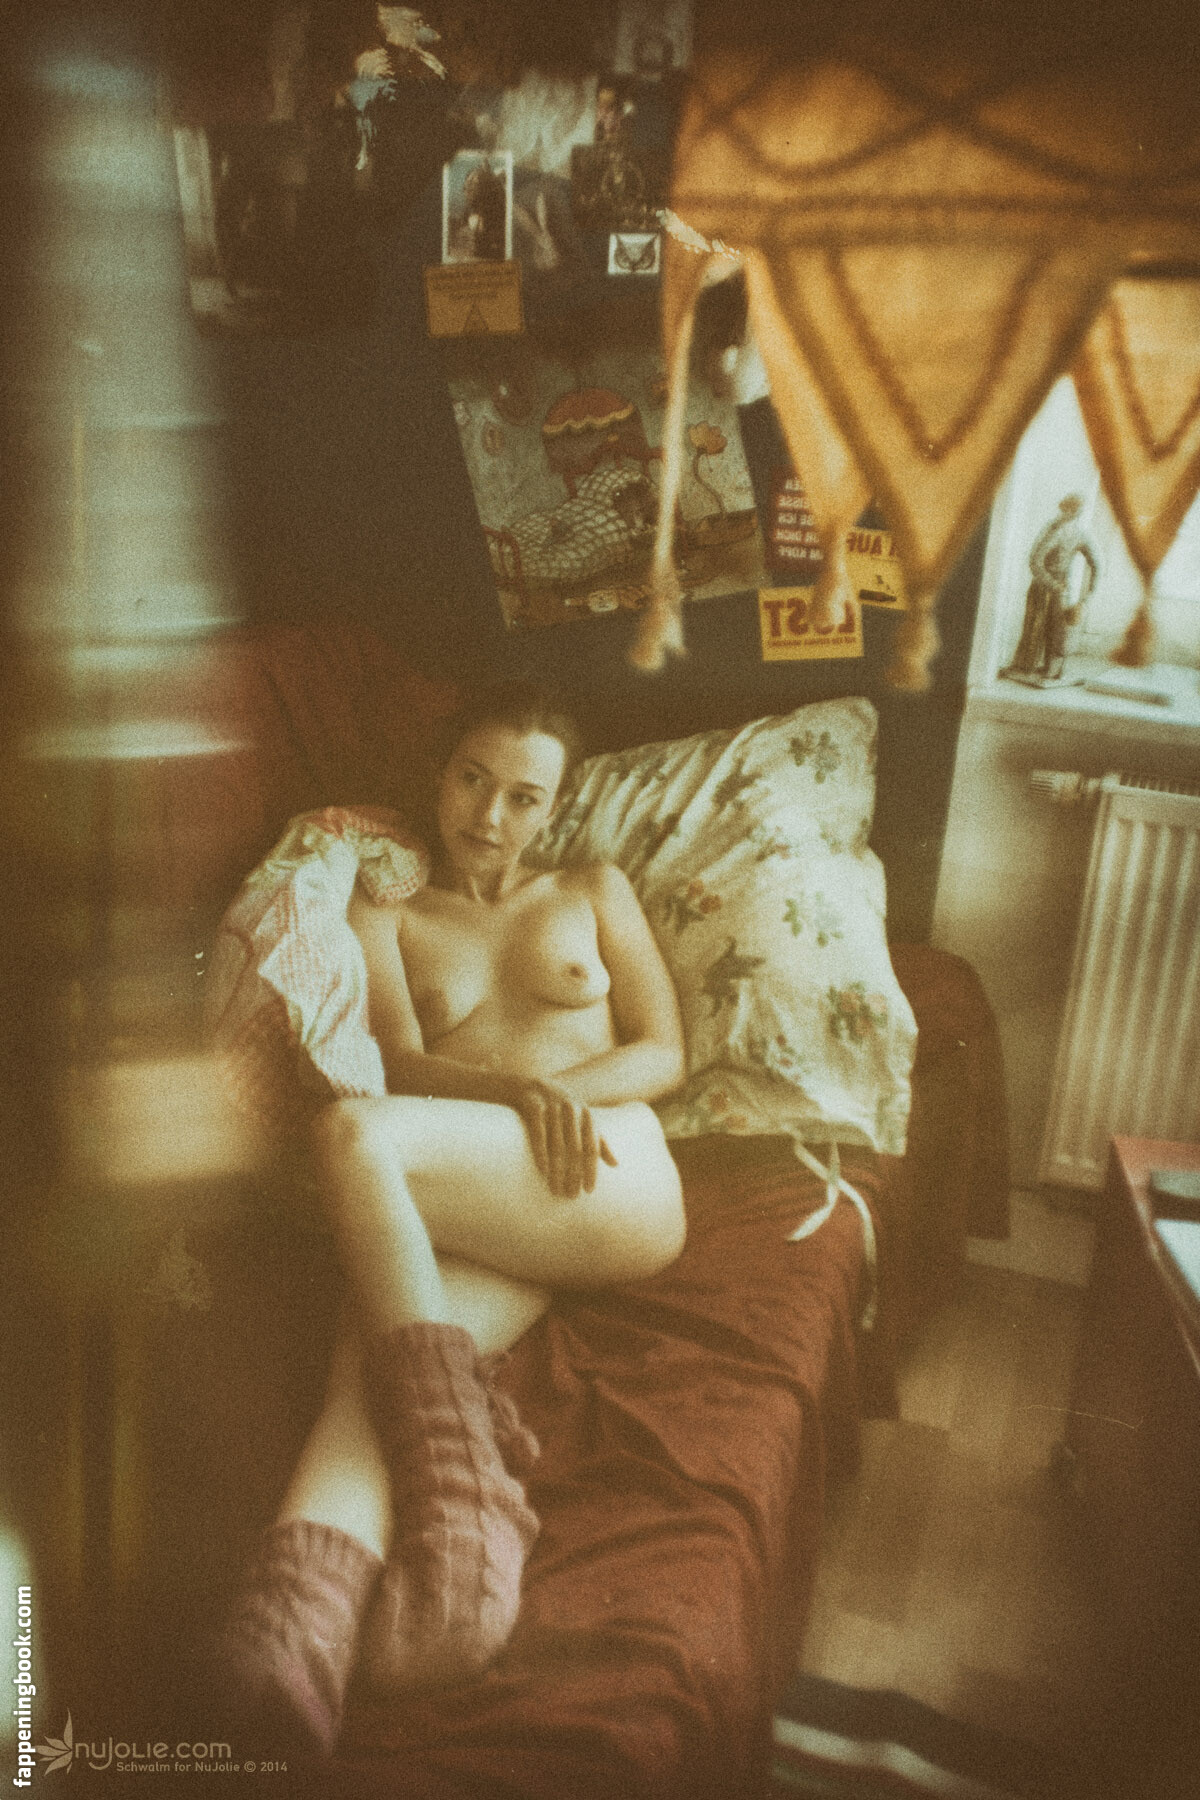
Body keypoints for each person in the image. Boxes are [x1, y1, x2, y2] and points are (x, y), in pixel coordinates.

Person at [218, 682, 687, 1754]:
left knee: (352, 1137)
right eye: (473, 780)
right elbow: (393, 1059)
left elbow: (665, 1049)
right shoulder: (389, 907)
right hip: (474, 1200)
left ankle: (467, 1490)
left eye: (524, 796)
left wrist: (563, 1099)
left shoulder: (592, 889)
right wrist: (514, 1095)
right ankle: (288, 1638)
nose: (489, 814)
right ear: (440, 775)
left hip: (607, 1176)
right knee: (370, 1378)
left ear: (555, 808)